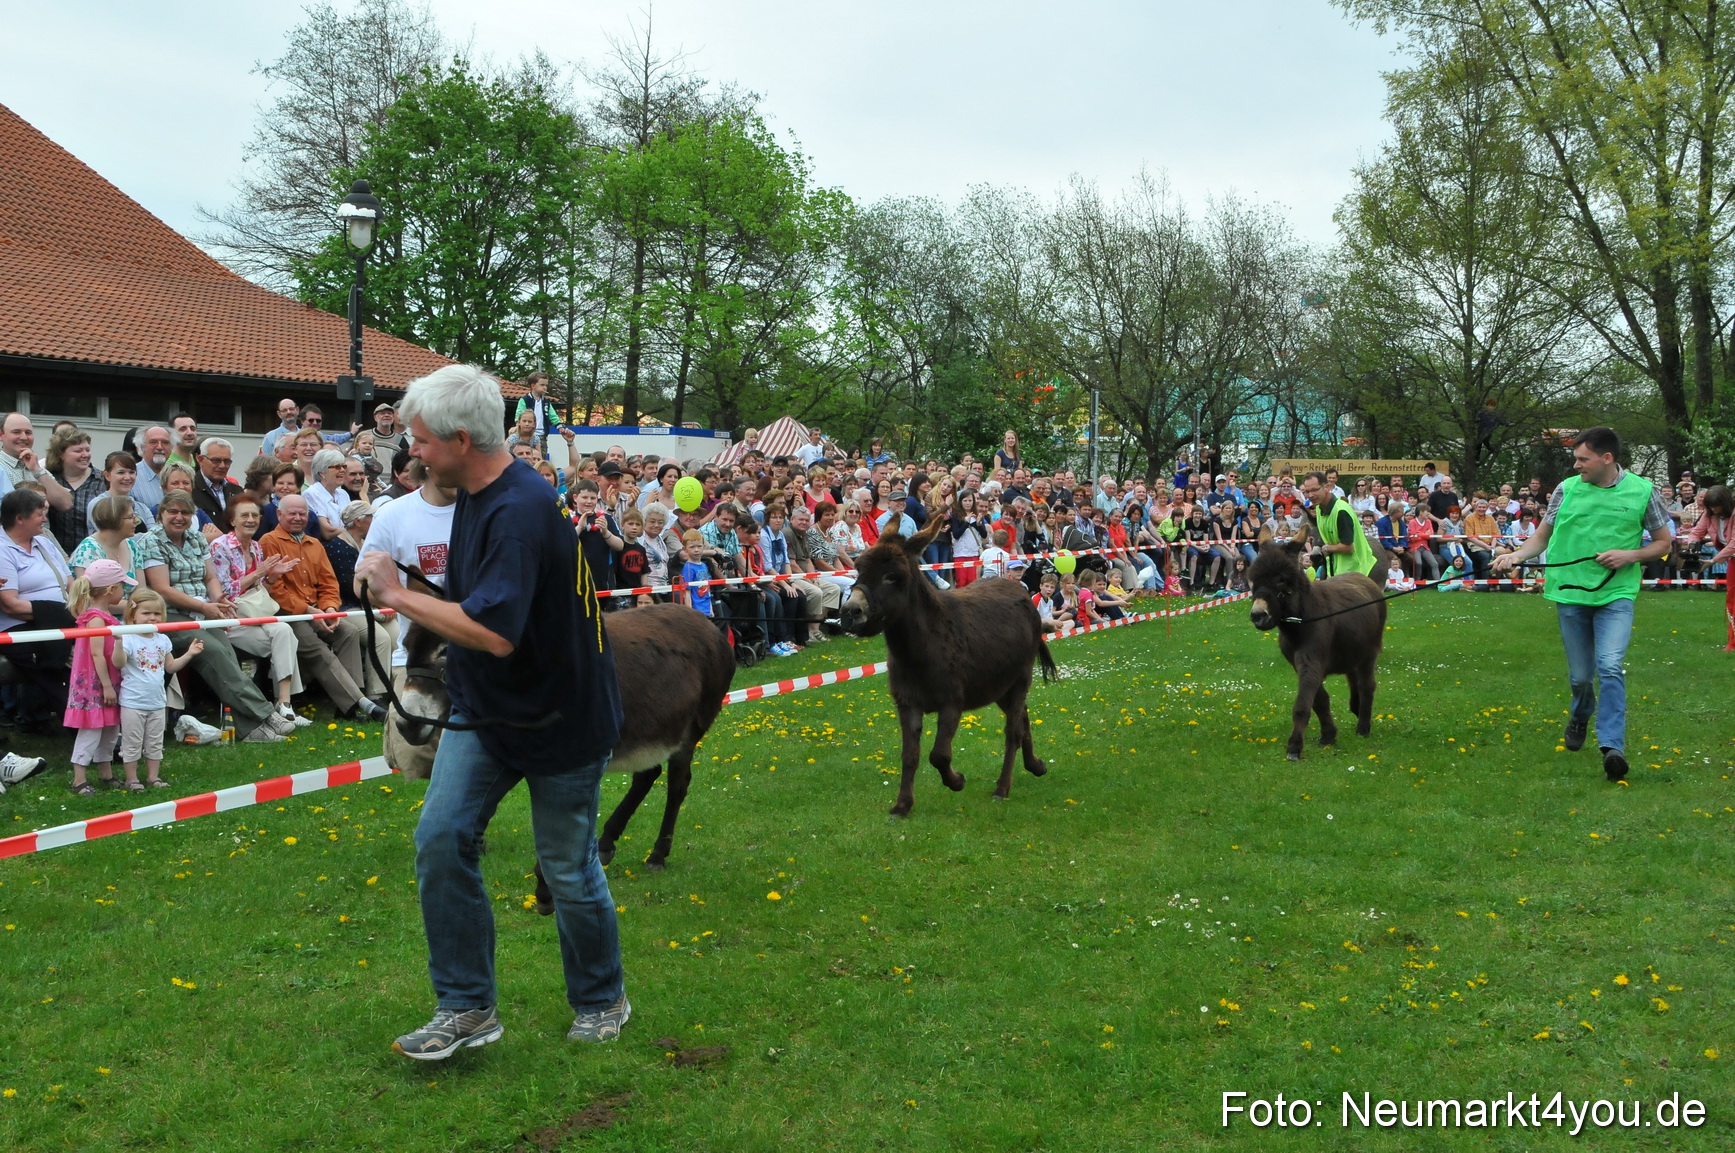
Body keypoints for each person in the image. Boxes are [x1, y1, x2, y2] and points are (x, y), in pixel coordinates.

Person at [353, 363, 626, 1059]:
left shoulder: (517, 509)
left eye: (421, 440)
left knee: (566, 868)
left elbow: (496, 631)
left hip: (559, 718)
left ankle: (601, 996)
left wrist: (394, 591)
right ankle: (466, 1005)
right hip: (487, 710)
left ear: (464, 437)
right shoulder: (471, 487)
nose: (412, 451)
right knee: (440, 840)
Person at [1491, 427, 1674, 781]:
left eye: (1582, 459)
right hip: (1570, 593)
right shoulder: (1566, 490)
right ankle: (1580, 713)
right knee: (1580, 676)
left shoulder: (1643, 491)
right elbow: (1541, 537)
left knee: (1609, 666)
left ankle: (1612, 747)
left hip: (1615, 594)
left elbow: (1664, 543)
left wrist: (1630, 555)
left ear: (1607, 458)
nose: (1576, 466)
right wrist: (1516, 557)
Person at [138, 491, 289, 744]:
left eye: (185, 512)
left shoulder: (197, 539)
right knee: (215, 653)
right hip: (169, 614)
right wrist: (205, 607)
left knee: (227, 654)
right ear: (161, 514)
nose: (179, 517)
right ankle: (265, 714)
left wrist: (218, 600)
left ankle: (250, 730)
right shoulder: (151, 541)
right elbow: (162, 588)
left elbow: (209, 578)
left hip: (204, 609)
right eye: (172, 511)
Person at [260, 494, 385, 722]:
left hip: (318, 611)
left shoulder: (314, 543)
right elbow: (274, 590)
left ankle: (346, 706)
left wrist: (329, 610)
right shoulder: (269, 542)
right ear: (279, 514)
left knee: (348, 632)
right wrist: (308, 611)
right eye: (292, 513)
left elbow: (329, 582)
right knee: (315, 646)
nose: (298, 518)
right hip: (288, 615)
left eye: (303, 513)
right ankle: (361, 703)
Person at [210, 497, 307, 728]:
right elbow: (222, 591)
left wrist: (273, 574)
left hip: (255, 612)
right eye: (244, 515)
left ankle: (284, 703)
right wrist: (259, 573)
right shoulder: (219, 546)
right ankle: (283, 706)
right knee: (285, 641)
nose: (251, 520)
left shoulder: (255, 546)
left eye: (254, 515)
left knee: (284, 631)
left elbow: (262, 589)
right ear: (232, 520)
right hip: (231, 617)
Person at [0, 488, 75, 726]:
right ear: (19, 518)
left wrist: (74, 612)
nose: (45, 519)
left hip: (62, 620)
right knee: (56, 668)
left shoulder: (44, 542)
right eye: (39, 514)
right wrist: (59, 612)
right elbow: (11, 606)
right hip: (19, 628)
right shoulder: (2, 550)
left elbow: (70, 583)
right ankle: (85, 732)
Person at [114, 588, 203, 789]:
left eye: (157, 614)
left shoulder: (162, 639)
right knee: (132, 743)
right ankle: (131, 779)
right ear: (133, 616)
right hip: (133, 702)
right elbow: (118, 663)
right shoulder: (128, 638)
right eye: (146, 613)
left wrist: (189, 654)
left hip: (156, 702)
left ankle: (153, 777)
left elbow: (170, 667)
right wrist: (118, 643)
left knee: (155, 742)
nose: (152, 618)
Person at [63, 560, 131, 793]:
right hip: (96, 685)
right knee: (91, 730)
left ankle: (106, 773)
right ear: (111, 589)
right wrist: (106, 686)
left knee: (110, 729)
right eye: (122, 586)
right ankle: (79, 778)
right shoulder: (96, 618)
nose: (124, 591)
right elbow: (96, 654)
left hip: (108, 681)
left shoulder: (104, 614)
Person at [1672, 483, 1734, 649]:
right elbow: (1695, 532)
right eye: (1710, 506)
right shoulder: (1708, 514)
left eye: (1716, 506)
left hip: (1730, 554)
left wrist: (1713, 561)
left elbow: (1734, 543)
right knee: (1732, 600)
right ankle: (1732, 642)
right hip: (1732, 560)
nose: (1713, 509)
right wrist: (1692, 545)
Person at [1301, 471, 1379, 580]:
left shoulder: (1341, 511)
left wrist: (1327, 548)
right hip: (1337, 568)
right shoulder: (1319, 508)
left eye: (1314, 490)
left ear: (1327, 487)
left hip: (1356, 571)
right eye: (1307, 491)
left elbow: (1348, 547)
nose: (1310, 495)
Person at [47, 428, 105, 553]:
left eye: (87, 450)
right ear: (60, 454)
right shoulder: (50, 480)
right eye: (78, 451)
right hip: (58, 556)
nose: (85, 454)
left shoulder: (103, 481)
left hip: (96, 556)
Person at [1, 413, 73, 513]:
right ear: (1, 435)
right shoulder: (1, 468)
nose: (23, 437)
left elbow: (66, 504)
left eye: (28, 432)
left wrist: (36, 470)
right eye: (16, 432)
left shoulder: (37, 468)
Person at [193, 437, 243, 534]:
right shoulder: (191, 490)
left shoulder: (237, 491)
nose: (222, 466)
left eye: (227, 461)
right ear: (200, 459)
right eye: (216, 460)